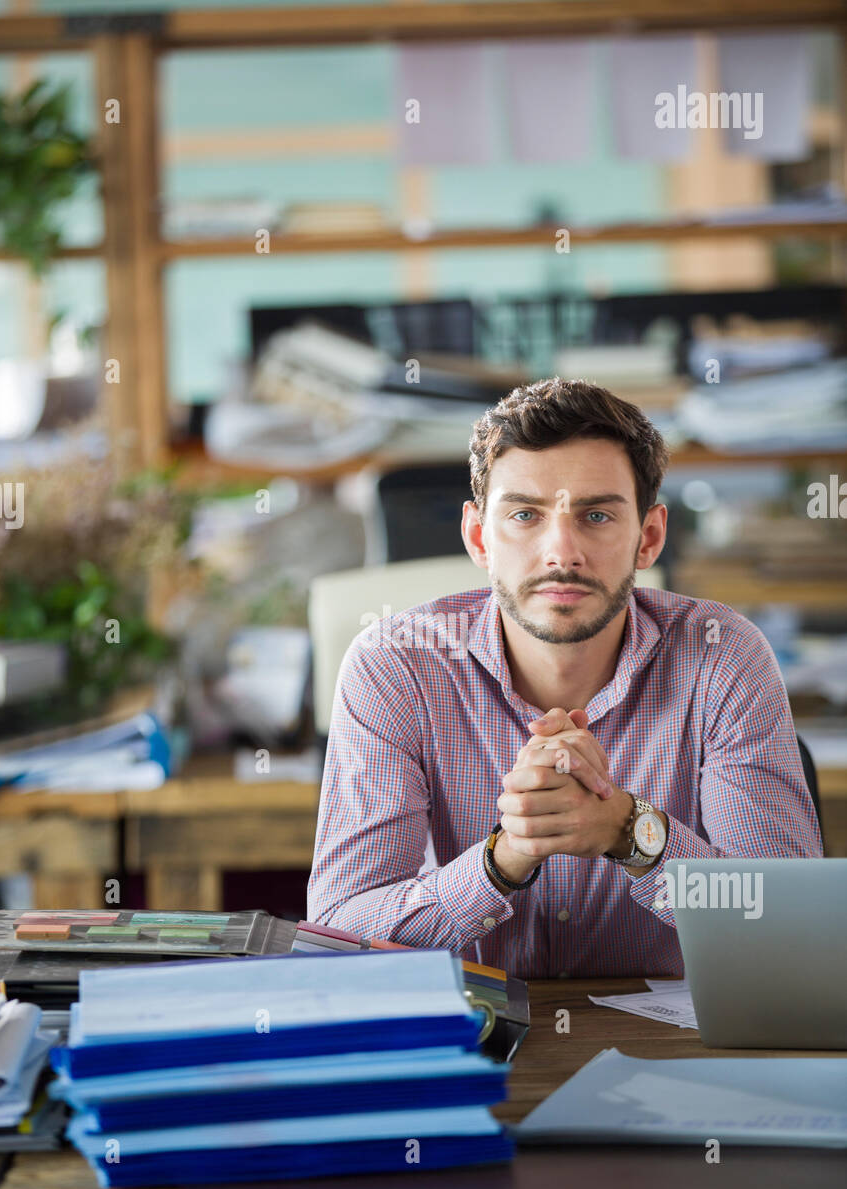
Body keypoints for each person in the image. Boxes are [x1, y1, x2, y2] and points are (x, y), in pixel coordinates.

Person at [307, 378, 823, 977]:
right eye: (525, 515)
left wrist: (629, 832)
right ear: (479, 537)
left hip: (673, 1048)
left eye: (596, 515)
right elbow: (340, 939)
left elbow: (789, 935)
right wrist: (506, 859)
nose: (562, 553)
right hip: (473, 1044)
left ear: (648, 537)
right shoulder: (393, 665)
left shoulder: (724, 656)